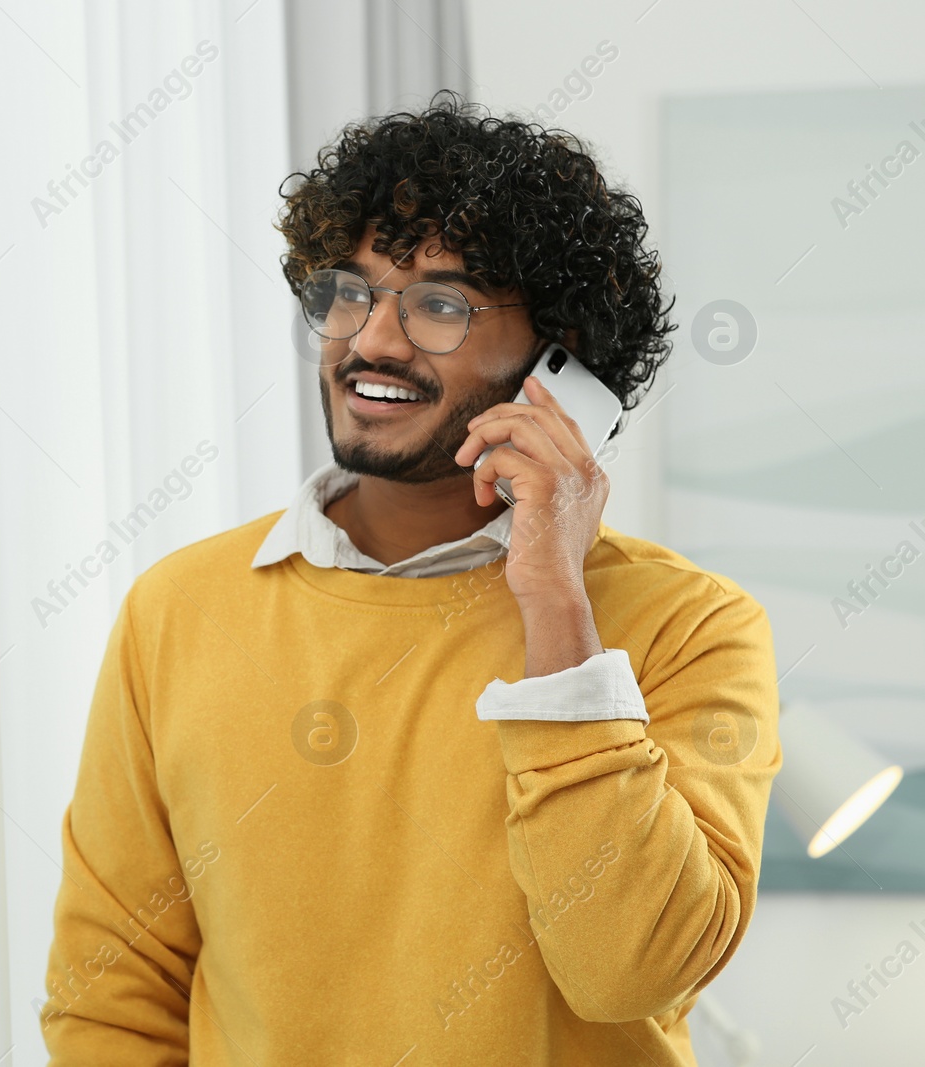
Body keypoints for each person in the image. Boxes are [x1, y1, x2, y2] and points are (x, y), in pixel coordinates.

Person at [39, 91, 779, 1067]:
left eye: (439, 303)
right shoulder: (178, 610)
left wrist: (556, 601)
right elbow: (112, 999)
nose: (371, 341)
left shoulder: (692, 626)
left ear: (560, 368)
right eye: (349, 290)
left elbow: (629, 970)